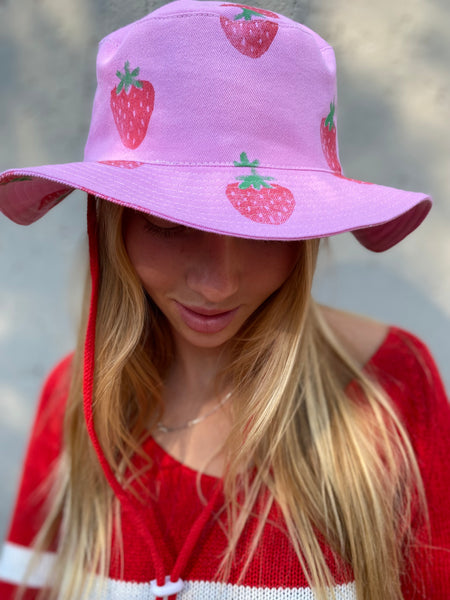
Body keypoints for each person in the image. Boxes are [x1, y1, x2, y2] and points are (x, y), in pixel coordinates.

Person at [0, 1, 448, 598]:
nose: (218, 283)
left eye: (260, 232)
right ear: (112, 225)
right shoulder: (74, 409)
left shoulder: (388, 387)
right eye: (171, 225)